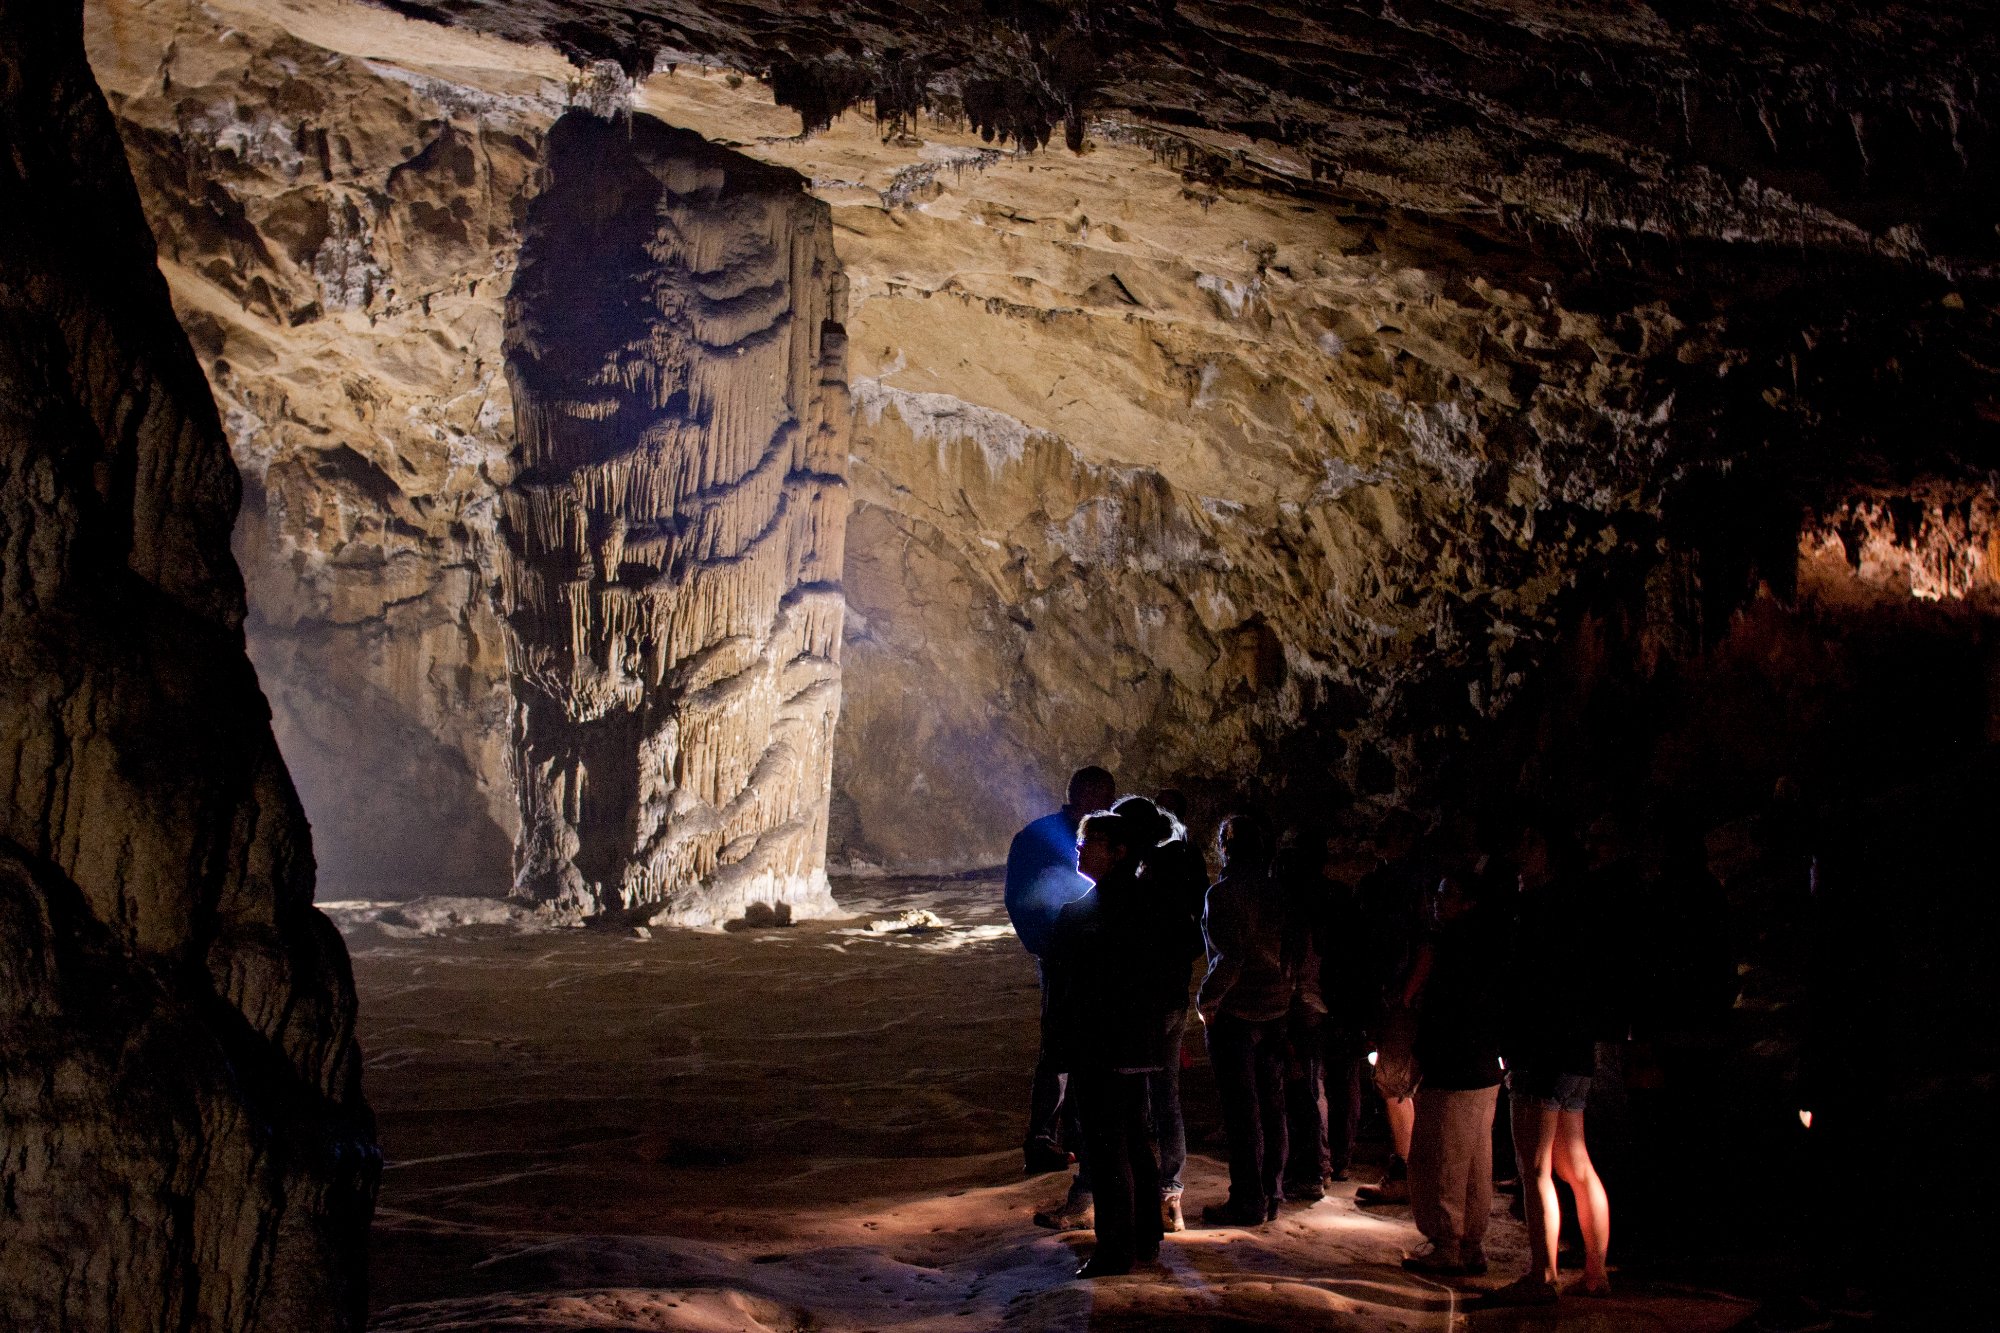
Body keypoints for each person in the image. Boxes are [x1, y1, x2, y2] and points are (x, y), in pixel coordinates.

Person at [1042, 810, 1187, 1278]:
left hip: (1099, 1045)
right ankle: (1146, 1238)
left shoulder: (1084, 914)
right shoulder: (1154, 907)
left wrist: (1059, 1046)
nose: (1081, 850)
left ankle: (1115, 1248)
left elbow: (1065, 990)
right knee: (1137, 1140)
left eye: (1093, 842)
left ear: (1121, 852)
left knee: (1106, 1147)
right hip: (1138, 1044)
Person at [1481, 824, 1612, 1307]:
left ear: (1548, 855)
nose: (1519, 852)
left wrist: (1509, 1041)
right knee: (1577, 1165)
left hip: (1540, 1049)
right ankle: (1595, 1274)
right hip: (1576, 1048)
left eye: (1530, 843)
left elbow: (1520, 984)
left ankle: (1544, 1275)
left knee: (1535, 1168)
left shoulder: (1535, 910)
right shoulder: (1583, 905)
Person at [1005, 765, 1115, 1224]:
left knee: (1086, 1048)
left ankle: (1072, 1134)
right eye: (1096, 796)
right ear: (1078, 795)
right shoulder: (1041, 837)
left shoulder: (1105, 834)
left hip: (1095, 955)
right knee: (1059, 1046)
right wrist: (1045, 945)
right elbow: (1021, 897)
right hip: (1061, 953)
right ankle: (1044, 1138)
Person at [1401, 872, 1507, 1278]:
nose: (1436, 901)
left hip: (1454, 1067)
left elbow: (1440, 1010)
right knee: (1477, 1160)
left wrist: (1421, 1056)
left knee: (1441, 1159)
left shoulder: (1451, 946)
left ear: (1468, 903)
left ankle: (1447, 1244)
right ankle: (1472, 1244)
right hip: (1483, 1067)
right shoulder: (1493, 943)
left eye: (1446, 894)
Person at [1196, 811, 1297, 1226]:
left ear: (1225, 848)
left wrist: (1207, 1000)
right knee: (1273, 1105)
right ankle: (1272, 1191)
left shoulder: (1223, 894)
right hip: (1277, 1007)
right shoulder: (1280, 891)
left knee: (1243, 1110)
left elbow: (1230, 958)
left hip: (1237, 1011)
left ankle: (1247, 1200)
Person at [1112, 795, 1206, 1233]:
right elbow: (1192, 942)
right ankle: (1170, 1197)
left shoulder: (1140, 887)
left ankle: (1127, 1199)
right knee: (1166, 1097)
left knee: (1124, 1102)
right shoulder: (1177, 877)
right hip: (1173, 1000)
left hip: (1141, 1006)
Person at [1354, 811, 1430, 1206]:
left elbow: (1419, 943)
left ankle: (1407, 1172)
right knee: (1397, 1083)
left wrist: (1401, 993)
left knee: (1395, 1084)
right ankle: (1413, 1169)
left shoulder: (1400, 884)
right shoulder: (1407, 881)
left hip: (1400, 997)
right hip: (1399, 994)